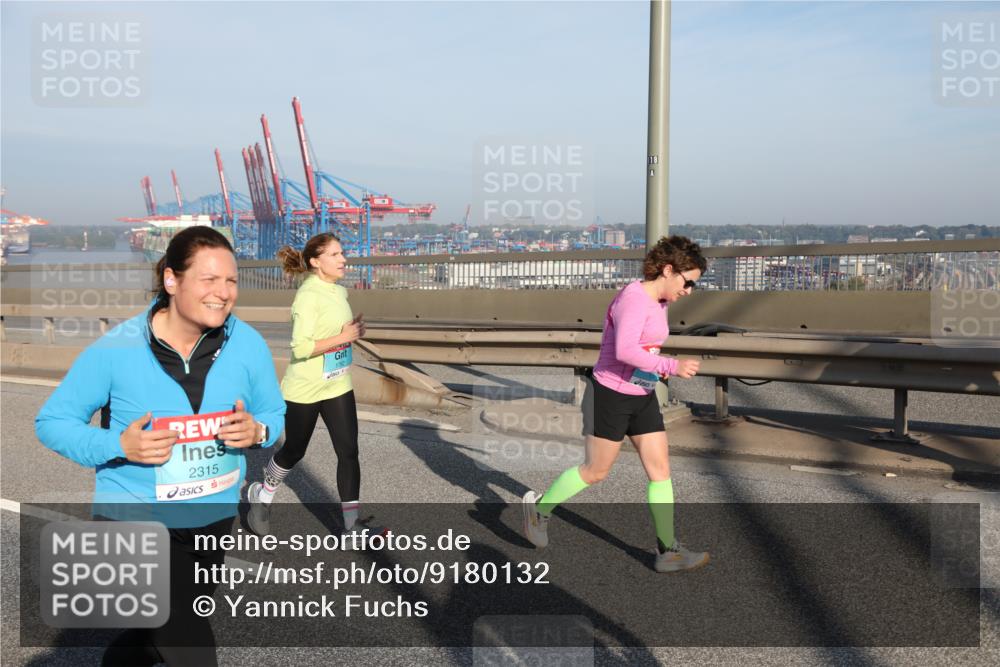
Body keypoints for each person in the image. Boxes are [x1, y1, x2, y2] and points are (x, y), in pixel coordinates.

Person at [35, 226, 286, 665]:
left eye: (230, 281)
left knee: (157, 634)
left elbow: (273, 413)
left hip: (213, 515)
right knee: (190, 646)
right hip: (132, 515)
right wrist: (120, 444)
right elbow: (53, 422)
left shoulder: (249, 344)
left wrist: (258, 432)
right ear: (172, 280)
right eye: (209, 280)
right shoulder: (116, 349)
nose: (223, 293)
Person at [521, 235, 708, 572]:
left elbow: (644, 349)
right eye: (689, 282)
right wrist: (671, 366)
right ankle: (540, 510)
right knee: (595, 472)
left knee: (660, 470)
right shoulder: (633, 300)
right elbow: (624, 350)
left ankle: (668, 550)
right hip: (610, 396)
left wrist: (655, 369)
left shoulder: (660, 302)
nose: (689, 290)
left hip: (641, 394)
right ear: (669, 270)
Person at [247, 232, 376, 537]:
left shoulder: (338, 292)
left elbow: (335, 335)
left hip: (337, 384)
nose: (343, 259)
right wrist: (342, 338)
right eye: (335, 255)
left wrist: (352, 332)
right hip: (305, 388)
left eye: (342, 253)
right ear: (317, 262)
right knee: (294, 451)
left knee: (348, 452)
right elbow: (301, 347)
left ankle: (351, 527)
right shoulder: (307, 296)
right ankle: (262, 494)